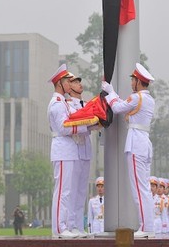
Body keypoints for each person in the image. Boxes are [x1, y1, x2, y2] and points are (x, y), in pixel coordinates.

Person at [102, 62, 156, 238]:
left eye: (133, 80)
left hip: (136, 144)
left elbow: (117, 108)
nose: (131, 83)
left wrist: (110, 93)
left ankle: (146, 228)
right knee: (144, 188)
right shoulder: (149, 99)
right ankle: (148, 226)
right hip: (145, 143)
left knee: (139, 189)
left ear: (139, 82)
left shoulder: (137, 97)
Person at [48, 64, 94, 238]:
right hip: (62, 149)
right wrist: (86, 127)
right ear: (60, 82)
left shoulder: (62, 103)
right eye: (67, 80)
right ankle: (60, 229)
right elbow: (64, 128)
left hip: (69, 149)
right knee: (63, 191)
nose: (70, 83)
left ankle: (68, 226)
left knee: (70, 191)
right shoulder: (58, 104)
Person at [67, 72, 92, 237]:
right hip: (74, 148)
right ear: (69, 87)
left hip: (85, 149)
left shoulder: (87, 103)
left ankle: (78, 226)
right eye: (75, 82)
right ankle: (70, 226)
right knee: (72, 190)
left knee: (82, 190)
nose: (79, 84)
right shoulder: (67, 104)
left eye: (79, 81)